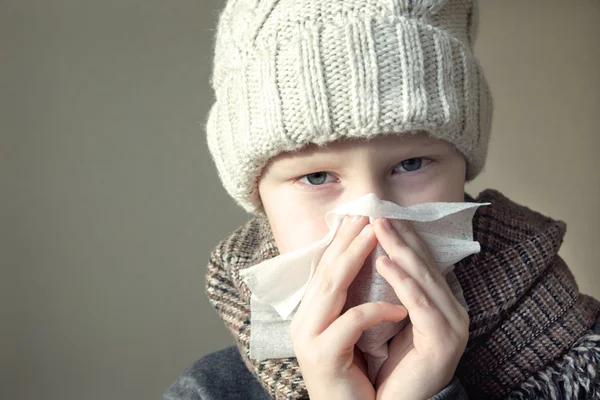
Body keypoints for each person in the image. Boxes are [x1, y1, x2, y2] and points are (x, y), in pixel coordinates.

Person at [164, 0, 600, 398]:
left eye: (411, 165)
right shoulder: (208, 391)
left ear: (462, 168)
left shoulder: (583, 359)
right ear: (260, 200)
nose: (372, 218)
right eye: (317, 176)